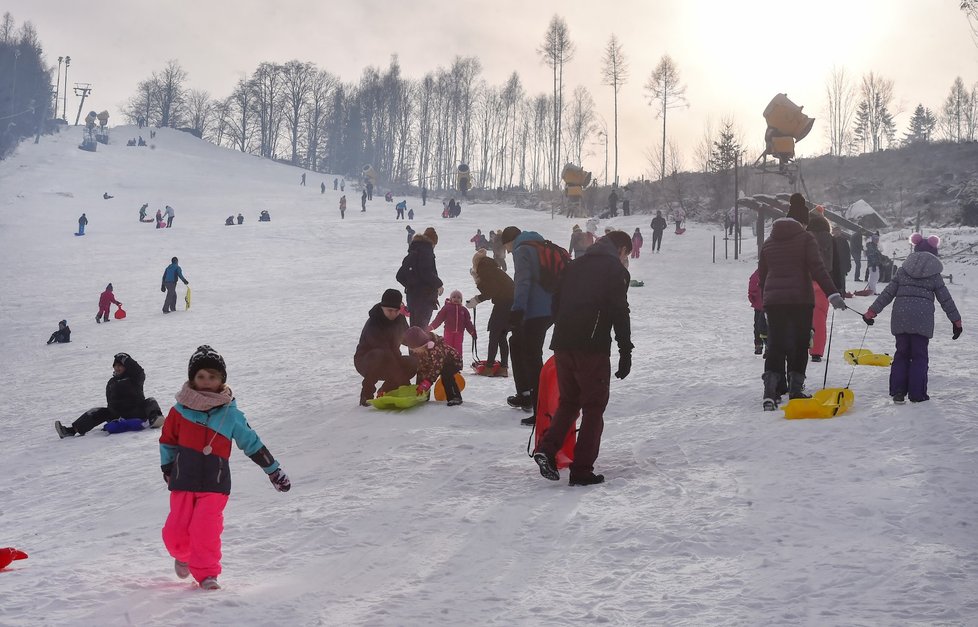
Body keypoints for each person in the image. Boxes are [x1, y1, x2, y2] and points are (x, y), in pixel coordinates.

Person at [159, 345, 290, 590]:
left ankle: (208, 574)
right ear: (192, 379)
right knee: (176, 534)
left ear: (221, 380)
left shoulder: (230, 414)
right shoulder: (178, 412)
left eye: (212, 376)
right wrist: (167, 468)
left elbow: (251, 442)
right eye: (200, 376)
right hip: (183, 480)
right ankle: (183, 554)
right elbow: (167, 440)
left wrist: (273, 470)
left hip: (215, 484)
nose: (206, 381)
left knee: (206, 529)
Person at [532, 231, 633, 486]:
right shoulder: (615, 271)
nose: (625, 260)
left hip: (563, 344)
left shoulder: (575, 265)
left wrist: (565, 330)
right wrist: (625, 351)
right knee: (593, 407)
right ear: (620, 249)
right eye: (626, 254)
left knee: (569, 402)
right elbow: (620, 312)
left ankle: (547, 448)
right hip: (593, 347)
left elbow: (556, 302)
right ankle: (582, 470)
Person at [757, 193, 847, 411]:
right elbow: (818, 269)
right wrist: (833, 294)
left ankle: (771, 392)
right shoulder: (806, 239)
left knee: (776, 344)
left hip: (774, 301)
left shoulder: (769, 242)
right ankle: (796, 391)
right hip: (800, 300)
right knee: (799, 344)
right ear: (804, 222)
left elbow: (762, 275)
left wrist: (765, 301)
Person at [862, 234, 962, 404]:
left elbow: (887, 293)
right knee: (919, 356)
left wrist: (871, 312)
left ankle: (899, 392)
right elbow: (946, 299)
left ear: (915, 249)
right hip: (922, 320)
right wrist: (956, 321)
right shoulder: (935, 274)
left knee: (901, 354)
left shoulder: (903, 269)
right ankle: (917, 394)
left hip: (901, 317)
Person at [501, 226, 555, 425]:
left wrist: (517, 310)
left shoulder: (522, 248)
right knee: (516, 343)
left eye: (506, 246)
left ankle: (542, 408)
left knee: (532, 356)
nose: (507, 251)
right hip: (551, 309)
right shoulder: (540, 244)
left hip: (536, 310)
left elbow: (523, 282)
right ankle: (525, 393)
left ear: (510, 241)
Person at [55, 353, 164, 437]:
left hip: (136, 410)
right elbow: (109, 400)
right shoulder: (112, 382)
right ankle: (71, 430)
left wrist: (125, 358)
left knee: (150, 401)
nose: (117, 368)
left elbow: (138, 370)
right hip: (118, 413)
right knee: (97, 411)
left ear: (126, 367)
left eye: (120, 365)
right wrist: (111, 413)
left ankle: (155, 419)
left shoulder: (135, 378)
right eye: (115, 366)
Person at [355, 289, 418, 405]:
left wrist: (423, 344)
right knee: (379, 355)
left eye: (396, 311)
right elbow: (385, 351)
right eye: (389, 310)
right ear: (382, 307)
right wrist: (404, 381)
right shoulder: (373, 323)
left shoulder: (400, 319)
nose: (393, 314)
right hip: (368, 361)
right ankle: (366, 394)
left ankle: (387, 390)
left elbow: (407, 338)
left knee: (413, 362)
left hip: (391, 358)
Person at [468, 249, 515, 377]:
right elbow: (492, 289)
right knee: (501, 335)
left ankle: (489, 367)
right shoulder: (492, 268)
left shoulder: (485, 269)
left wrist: (476, 299)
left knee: (494, 333)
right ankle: (504, 367)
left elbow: (490, 291)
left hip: (503, 303)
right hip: (511, 303)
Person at [402, 327, 463, 406]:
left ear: (423, 345)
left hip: (452, 362)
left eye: (416, 349)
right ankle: (423, 396)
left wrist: (428, 381)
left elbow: (436, 367)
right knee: (422, 373)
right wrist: (421, 385)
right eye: (413, 349)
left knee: (446, 374)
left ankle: (455, 397)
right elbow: (423, 367)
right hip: (435, 362)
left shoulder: (436, 348)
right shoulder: (420, 351)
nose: (414, 351)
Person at [396, 227, 443, 330]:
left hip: (412, 298)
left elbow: (399, 276)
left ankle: (414, 346)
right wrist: (439, 284)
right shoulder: (426, 251)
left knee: (414, 331)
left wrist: (411, 285)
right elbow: (426, 272)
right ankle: (418, 346)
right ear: (432, 242)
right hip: (425, 299)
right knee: (420, 332)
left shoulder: (413, 252)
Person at [807, 206, 834, 362]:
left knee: (803, 317)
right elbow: (837, 265)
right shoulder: (832, 240)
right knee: (820, 317)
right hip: (825, 282)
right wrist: (838, 289)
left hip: (805, 281)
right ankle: (816, 353)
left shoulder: (804, 237)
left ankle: (801, 346)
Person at [428, 290, 477, 357]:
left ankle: (458, 363)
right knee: (447, 348)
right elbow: (438, 319)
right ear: (451, 299)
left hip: (459, 333)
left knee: (458, 349)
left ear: (461, 300)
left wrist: (472, 332)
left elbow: (468, 323)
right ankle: (446, 363)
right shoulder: (447, 308)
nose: (456, 299)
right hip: (448, 332)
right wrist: (430, 327)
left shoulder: (464, 310)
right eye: (454, 297)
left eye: (458, 297)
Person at [748, 270, 767, 356]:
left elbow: (752, 288)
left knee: (757, 326)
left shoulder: (756, 275)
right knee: (770, 326)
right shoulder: (774, 272)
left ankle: (758, 345)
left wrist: (753, 299)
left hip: (759, 306)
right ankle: (768, 346)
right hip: (770, 305)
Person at [832, 226, 852, 296]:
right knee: (833, 278)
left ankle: (842, 292)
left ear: (840, 232)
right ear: (833, 232)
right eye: (835, 231)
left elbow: (847, 253)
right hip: (833, 263)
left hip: (842, 263)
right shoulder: (831, 240)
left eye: (838, 231)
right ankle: (834, 292)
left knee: (842, 279)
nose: (837, 232)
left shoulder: (844, 241)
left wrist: (848, 264)